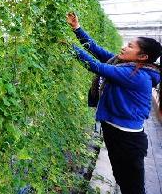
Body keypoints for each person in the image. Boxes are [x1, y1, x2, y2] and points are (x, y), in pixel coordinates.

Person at [66, 12, 161, 194]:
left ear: (142, 57)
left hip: (127, 140)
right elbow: (96, 50)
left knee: (132, 188)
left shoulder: (137, 75)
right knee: (121, 178)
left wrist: (69, 47)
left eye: (130, 46)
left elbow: (96, 66)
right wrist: (76, 28)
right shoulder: (124, 64)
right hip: (115, 132)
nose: (125, 47)